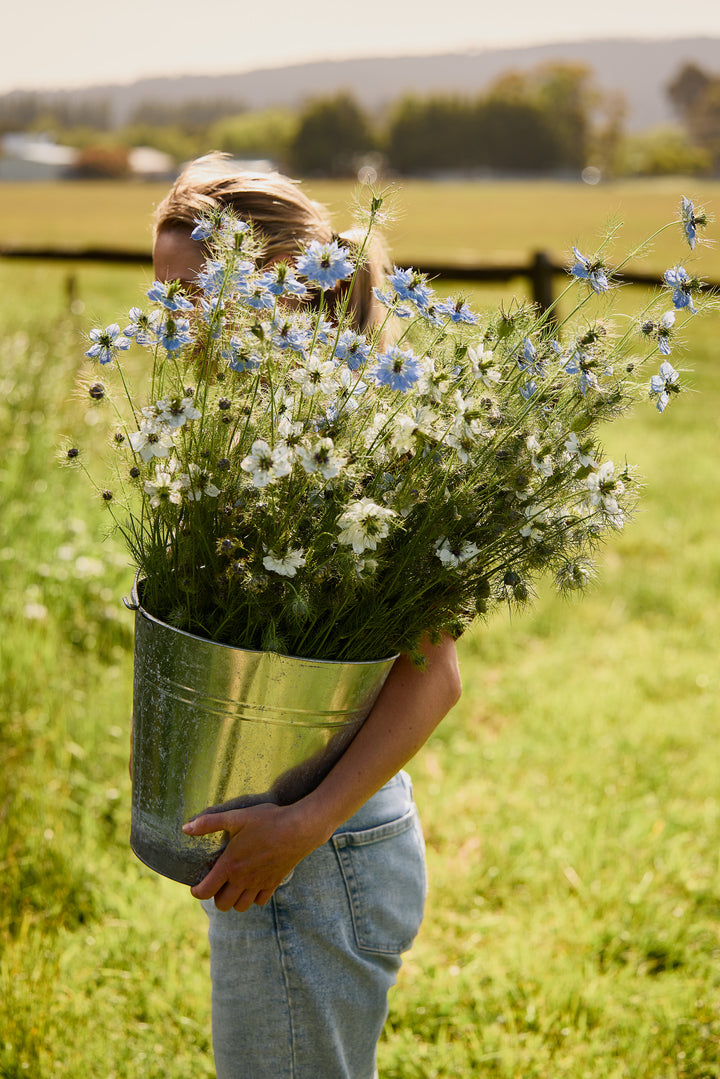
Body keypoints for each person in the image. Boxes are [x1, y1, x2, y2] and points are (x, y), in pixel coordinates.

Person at [151, 154, 462, 1079]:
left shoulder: (372, 435)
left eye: (193, 293)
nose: (173, 321)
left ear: (279, 284)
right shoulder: (246, 427)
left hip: (320, 850)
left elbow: (434, 675)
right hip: (283, 837)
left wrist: (303, 825)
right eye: (161, 294)